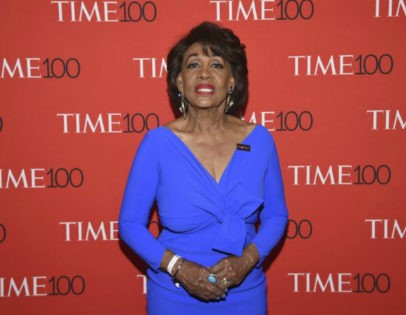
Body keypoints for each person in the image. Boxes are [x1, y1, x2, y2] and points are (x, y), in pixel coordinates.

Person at [119, 21, 288, 314]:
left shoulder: (260, 141)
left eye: (217, 65)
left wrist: (247, 260)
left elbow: (276, 216)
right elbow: (131, 225)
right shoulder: (157, 144)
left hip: (244, 290)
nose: (205, 73)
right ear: (180, 82)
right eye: (194, 64)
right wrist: (179, 268)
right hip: (174, 294)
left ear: (233, 80)